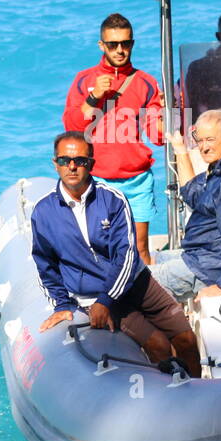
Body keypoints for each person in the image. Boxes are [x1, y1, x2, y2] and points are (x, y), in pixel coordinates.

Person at [32, 132, 200, 377]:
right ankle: (163, 399)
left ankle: (197, 391)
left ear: (91, 163)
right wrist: (63, 304)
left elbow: (127, 256)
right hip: (93, 296)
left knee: (186, 339)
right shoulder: (44, 212)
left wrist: (106, 300)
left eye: (80, 160)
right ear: (54, 163)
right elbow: (45, 264)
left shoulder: (113, 199)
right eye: (64, 160)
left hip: (136, 284)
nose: (71, 167)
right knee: (159, 345)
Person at [63, 13, 165, 265]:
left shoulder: (146, 82)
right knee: (100, 250)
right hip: (98, 179)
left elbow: (158, 136)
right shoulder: (84, 80)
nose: (120, 50)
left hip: (138, 180)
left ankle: (147, 303)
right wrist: (94, 96)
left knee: (141, 249)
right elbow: (72, 127)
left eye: (126, 43)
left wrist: (171, 110)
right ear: (102, 45)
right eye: (113, 44)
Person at [150, 109, 221, 301]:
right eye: (200, 140)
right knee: (146, 260)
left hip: (211, 267)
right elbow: (193, 195)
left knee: (135, 283)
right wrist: (180, 149)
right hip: (200, 254)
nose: (203, 147)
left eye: (210, 140)